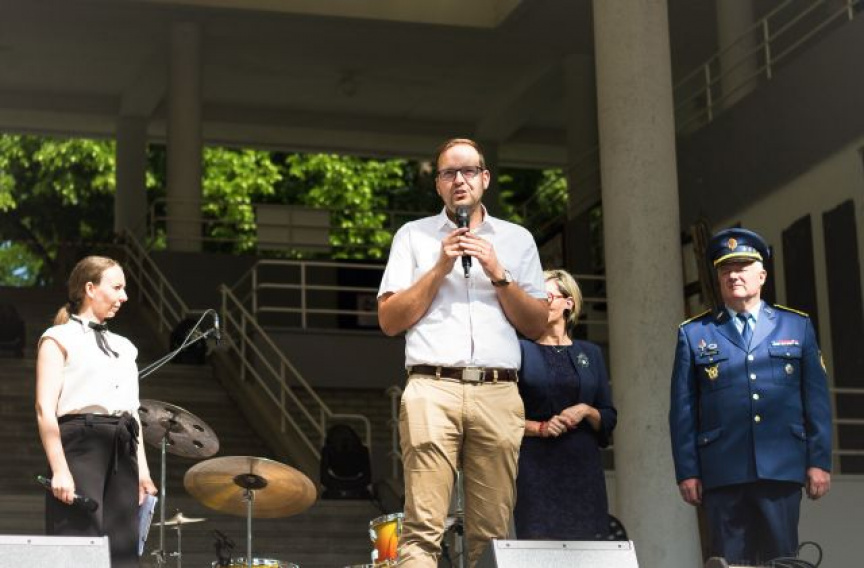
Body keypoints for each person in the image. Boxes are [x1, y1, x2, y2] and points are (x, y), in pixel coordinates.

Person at [378, 138, 547, 567]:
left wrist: (498, 272)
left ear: (485, 179)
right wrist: (439, 267)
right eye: (448, 173)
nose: (459, 180)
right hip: (431, 386)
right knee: (422, 530)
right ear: (437, 184)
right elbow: (390, 321)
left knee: (491, 535)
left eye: (468, 171)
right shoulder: (413, 236)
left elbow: (536, 324)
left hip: (497, 389)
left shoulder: (517, 239)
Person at [669, 228, 832, 565]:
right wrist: (687, 471)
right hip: (722, 469)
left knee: (782, 559)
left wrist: (819, 461)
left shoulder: (796, 326)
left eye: (742, 268)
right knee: (728, 562)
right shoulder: (695, 333)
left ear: (762, 276)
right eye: (725, 270)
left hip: (781, 467)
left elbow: (815, 400)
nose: (733, 276)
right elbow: (683, 408)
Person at [35, 255, 157, 568]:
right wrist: (60, 469)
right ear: (90, 288)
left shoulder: (126, 347)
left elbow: (132, 413)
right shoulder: (57, 338)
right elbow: (44, 409)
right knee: (77, 546)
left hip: (123, 446)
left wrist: (143, 472)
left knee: (122, 552)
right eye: (117, 287)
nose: (124, 296)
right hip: (80, 445)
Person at [514, 269, 617, 540]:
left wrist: (586, 410)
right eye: (534, 297)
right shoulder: (520, 351)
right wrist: (541, 428)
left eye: (546, 297)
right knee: (540, 546)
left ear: (568, 303)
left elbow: (608, 416)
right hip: (535, 467)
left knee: (588, 546)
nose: (539, 303)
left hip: (583, 469)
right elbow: (502, 417)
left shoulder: (590, 353)